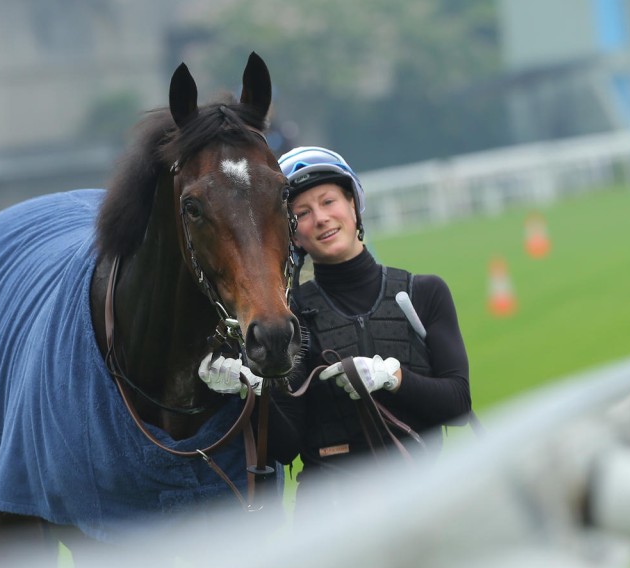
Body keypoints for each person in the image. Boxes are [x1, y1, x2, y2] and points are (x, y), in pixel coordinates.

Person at [201, 145, 472, 508]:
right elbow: (285, 447)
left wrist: (394, 378)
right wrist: (250, 391)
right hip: (332, 518)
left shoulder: (424, 293)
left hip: (424, 502)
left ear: (353, 205)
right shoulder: (289, 319)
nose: (322, 218)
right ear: (291, 236)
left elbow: (458, 403)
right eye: (303, 213)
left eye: (329, 202)